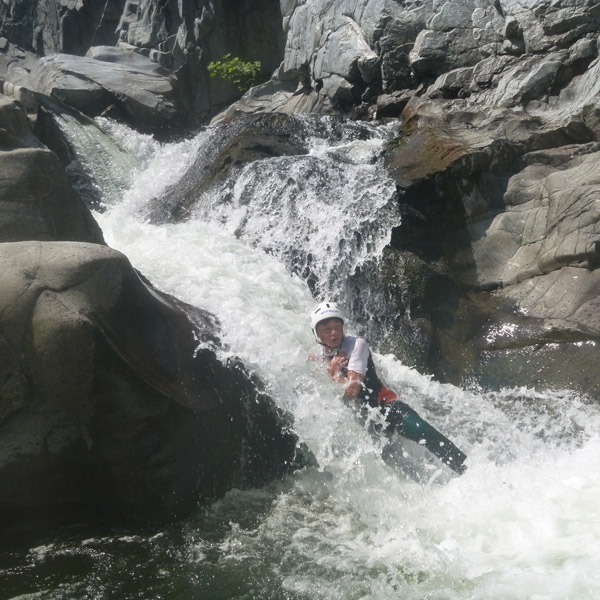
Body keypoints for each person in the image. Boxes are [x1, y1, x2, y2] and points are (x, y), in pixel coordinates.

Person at [310, 301, 467, 475]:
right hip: (362, 421)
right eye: (327, 329)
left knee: (423, 431)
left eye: (338, 327)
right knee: (394, 472)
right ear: (317, 333)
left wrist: (333, 375)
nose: (334, 333)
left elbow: (353, 390)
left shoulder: (356, 345)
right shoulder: (316, 356)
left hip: (386, 408)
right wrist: (329, 371)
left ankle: (467, 469)